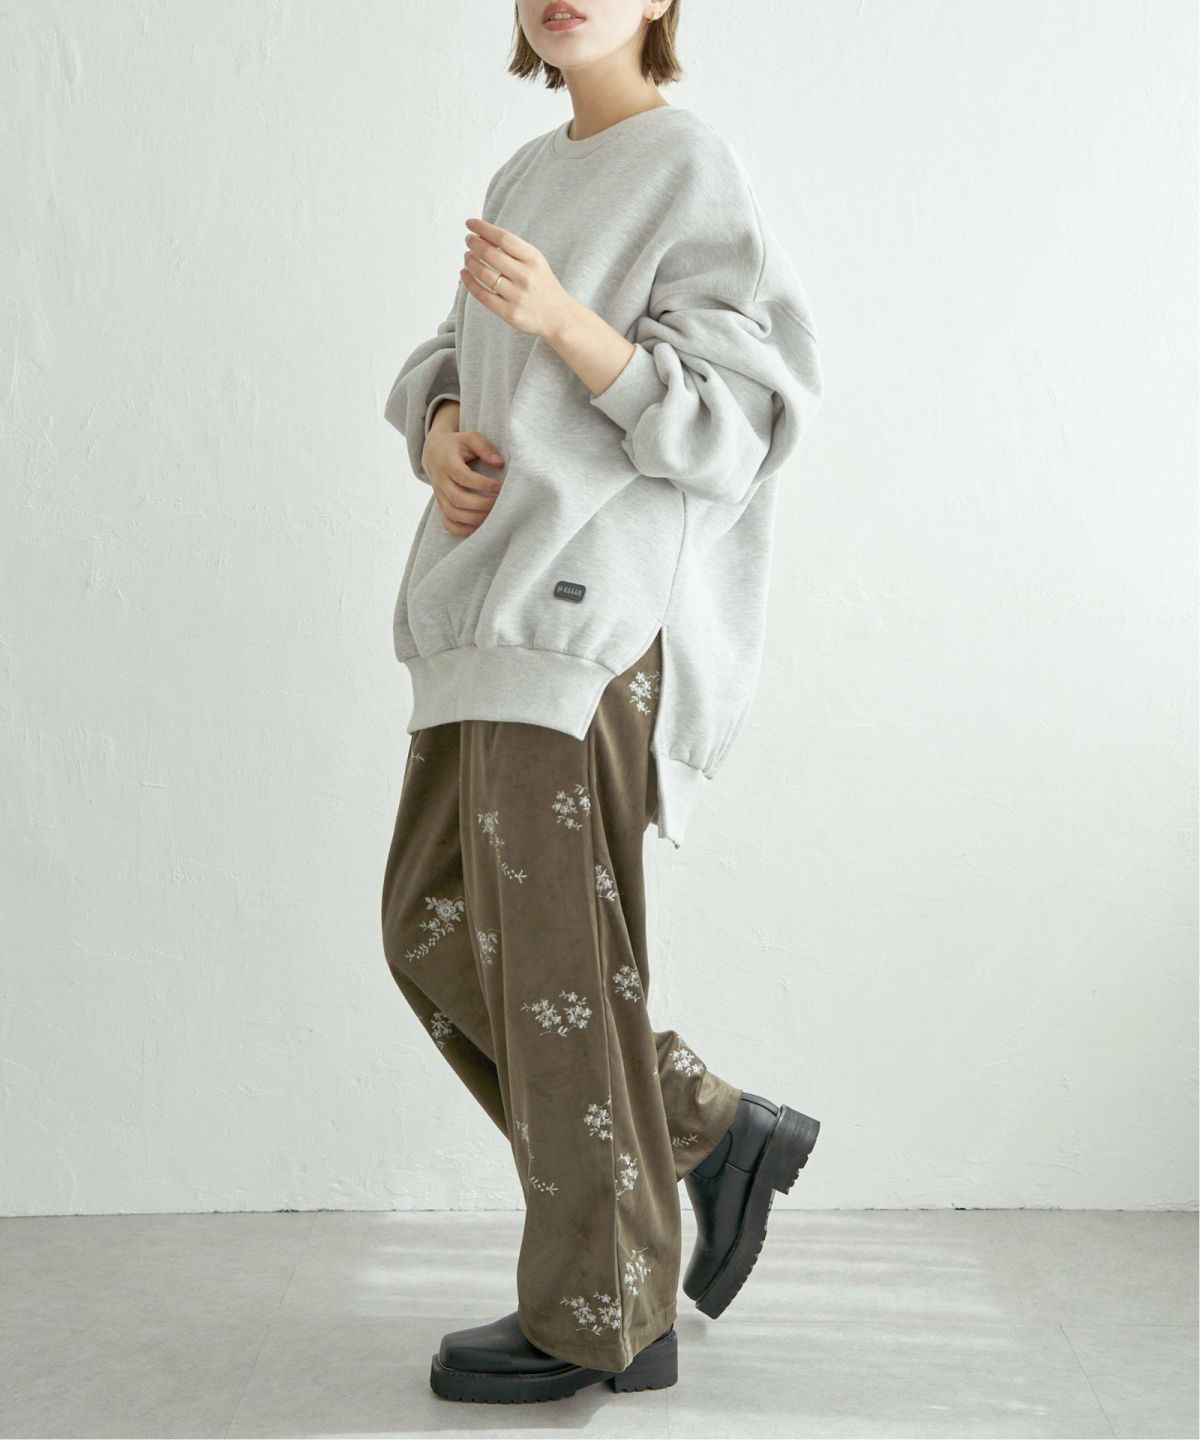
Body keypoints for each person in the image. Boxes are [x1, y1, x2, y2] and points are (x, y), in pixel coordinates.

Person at [380, 0, 824, 1406]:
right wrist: (439, 428)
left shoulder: (690, 167)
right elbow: (452, 357)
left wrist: (568, 322)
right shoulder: (527, 173)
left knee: (558, 971)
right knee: (429, 931)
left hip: (585, 623)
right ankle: (707, 1125)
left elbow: (731, 431)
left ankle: (603, 1314)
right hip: (484, 611)